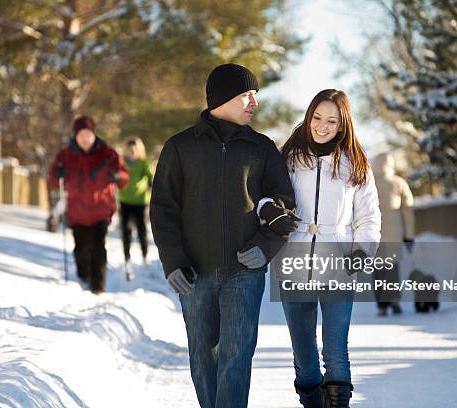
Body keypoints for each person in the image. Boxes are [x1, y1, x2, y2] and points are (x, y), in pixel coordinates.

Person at [150, 63, 296, 408]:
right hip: (194, 272)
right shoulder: (180, 147)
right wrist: (173, 261)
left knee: (236, 356)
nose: (254, 103)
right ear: (223, 98)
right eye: (247, 95)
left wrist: (265, 247)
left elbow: (284, 206)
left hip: (245, 272)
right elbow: (163, 210)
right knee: (203, 359)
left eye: (255, 96)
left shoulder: (261, 148)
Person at [258, 89, 381, 408]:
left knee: (336, 351)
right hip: (293, 263)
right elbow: (264, 197)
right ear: (309, 115)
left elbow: (368, 216)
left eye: (331, 120)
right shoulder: (287, 157)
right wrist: (269, 212)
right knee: (304, 354)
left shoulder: (355, 163)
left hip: (339, 263)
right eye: (317, 117)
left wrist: (362, 251)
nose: (322, 126)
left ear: (342, 125)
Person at [49, 116, 129, 294]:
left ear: (93, 134)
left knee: (98, 248)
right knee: (81, 249)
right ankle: (84, 276)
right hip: (77, 212)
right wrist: (57, 174)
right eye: (81, 134)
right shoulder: (66, 155)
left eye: (88, 134)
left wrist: (118, 177)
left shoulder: (108, 154)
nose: (85, 138)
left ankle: (98, 287)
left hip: (101, 211)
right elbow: (54, 180)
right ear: (75, 136)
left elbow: (124, 177)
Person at [371, 152, 415, 316]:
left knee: (378, 270)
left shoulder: (369, 183)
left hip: (373, 235)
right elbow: (408, 211)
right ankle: (395, 299)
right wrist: (409, 236)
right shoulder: (399, 183)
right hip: (394, 235)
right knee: (392, 269)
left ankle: (382, 305)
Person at [118, 137, 154, 281]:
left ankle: (144, 255)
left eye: (135, 150)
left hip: (140, 202)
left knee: (141, 229)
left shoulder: (143, 163)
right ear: (126, 150)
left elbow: (150, 174)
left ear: (139, 150)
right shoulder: (122, 163)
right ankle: (127, 257)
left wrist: (151, 181)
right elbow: (118, 174)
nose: (132, 152)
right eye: (130, 150)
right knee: (125, 230)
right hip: (125, 200)